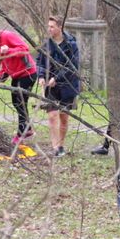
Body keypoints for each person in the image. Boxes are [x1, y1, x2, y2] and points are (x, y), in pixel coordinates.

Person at [0, 23, 37, 145]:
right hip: (17, 75)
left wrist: (9, 50)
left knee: (20, 102)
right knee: (16, 102)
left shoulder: (7, 35)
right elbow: (5, 66)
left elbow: (24, 49)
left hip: (28, 73)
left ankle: (21, 133)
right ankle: (28, 130)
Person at [36, 16, 80, 157]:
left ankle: (61, 145)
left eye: (52, 26)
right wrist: (41, 76)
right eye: (48, 26)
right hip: (50, 87)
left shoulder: (71, 45)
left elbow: (72, 67)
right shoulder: (46, 44)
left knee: (63, 117)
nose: (49, 29)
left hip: (68, 85)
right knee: (52, 116)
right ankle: (55, 146)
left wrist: (57, 78)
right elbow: (40, 62)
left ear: (60, 27)